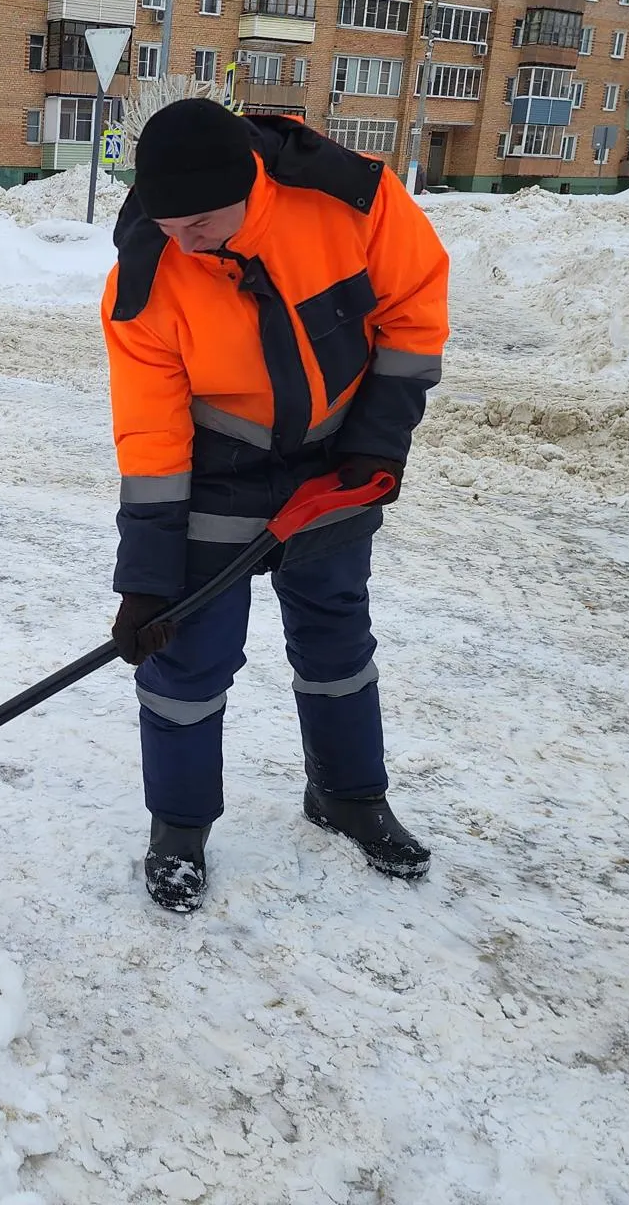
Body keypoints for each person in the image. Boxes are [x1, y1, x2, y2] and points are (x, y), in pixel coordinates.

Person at [102, 99, 450, 912]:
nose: (183, 240)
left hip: (337, 451)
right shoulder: (146, 275)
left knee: (336, 635)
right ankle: (179, 830)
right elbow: (151, 435)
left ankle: (349, 794)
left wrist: (376, 446)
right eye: (167, 221)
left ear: (248, 184)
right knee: (185, 659)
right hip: (217, 466)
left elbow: (414, 311)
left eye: (201, 221)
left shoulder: (351, 201)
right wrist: (146, 579)